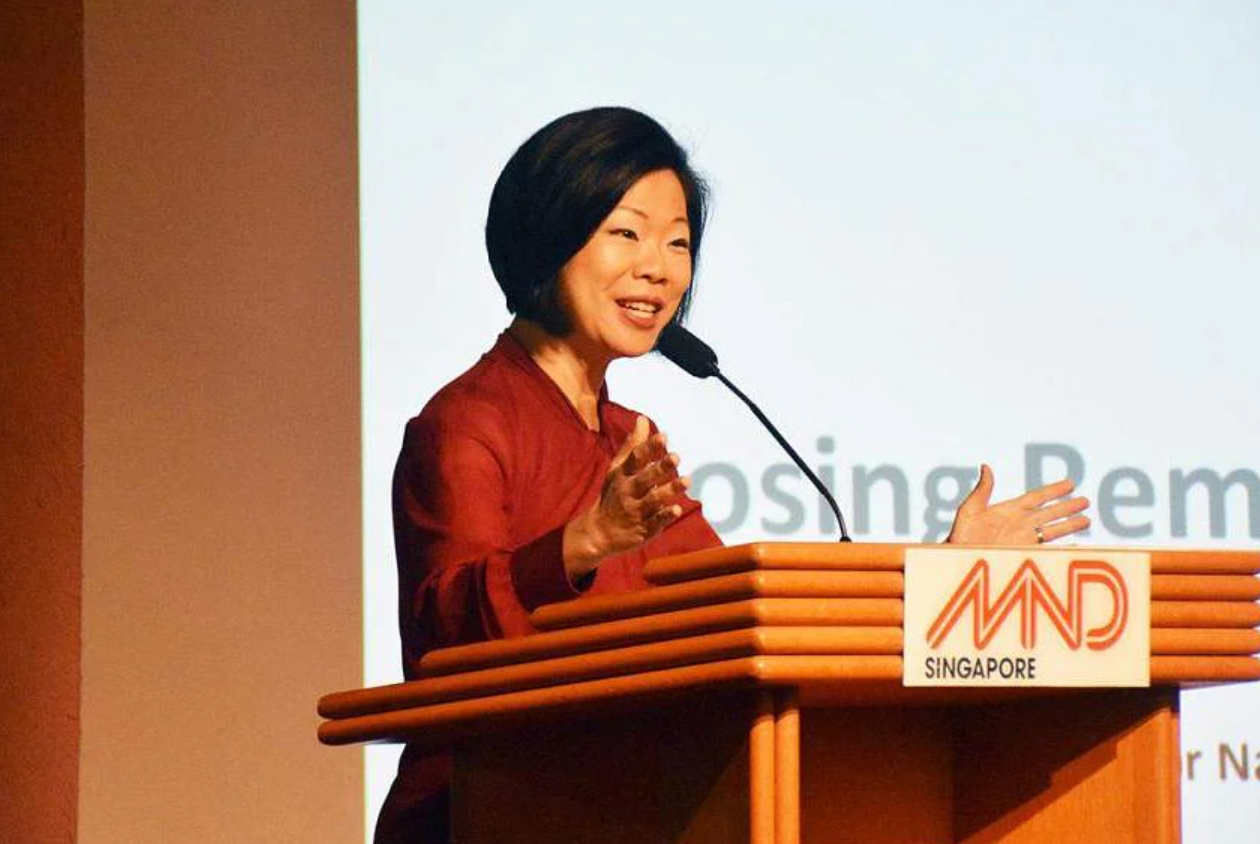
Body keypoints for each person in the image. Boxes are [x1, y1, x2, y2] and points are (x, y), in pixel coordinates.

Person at [375, 106, 1091, 843]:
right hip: (481, 811)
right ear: (548, 233)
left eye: (678, 243)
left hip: (618, 807)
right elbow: (445, 637)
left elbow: (738, 609)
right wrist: (582, 544)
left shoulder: (626, 437)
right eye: (627, 233)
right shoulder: (466, 424)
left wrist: (947, 570)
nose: (658, 268)